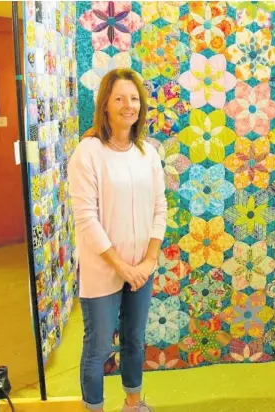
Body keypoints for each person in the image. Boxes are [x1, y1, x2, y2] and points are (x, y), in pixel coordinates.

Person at [68, 68, 167, 412]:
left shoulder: (148, 153)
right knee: (97, 348)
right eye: (120, 98)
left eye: (135, 98)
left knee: (134, 341)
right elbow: (86, 218)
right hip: (104, 269)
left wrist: (148, 262)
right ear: (105, 105)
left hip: (141, 268)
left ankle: (133, 404)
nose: (129, 105)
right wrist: (120, 265)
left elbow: (159, 207)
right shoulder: (89, 152)